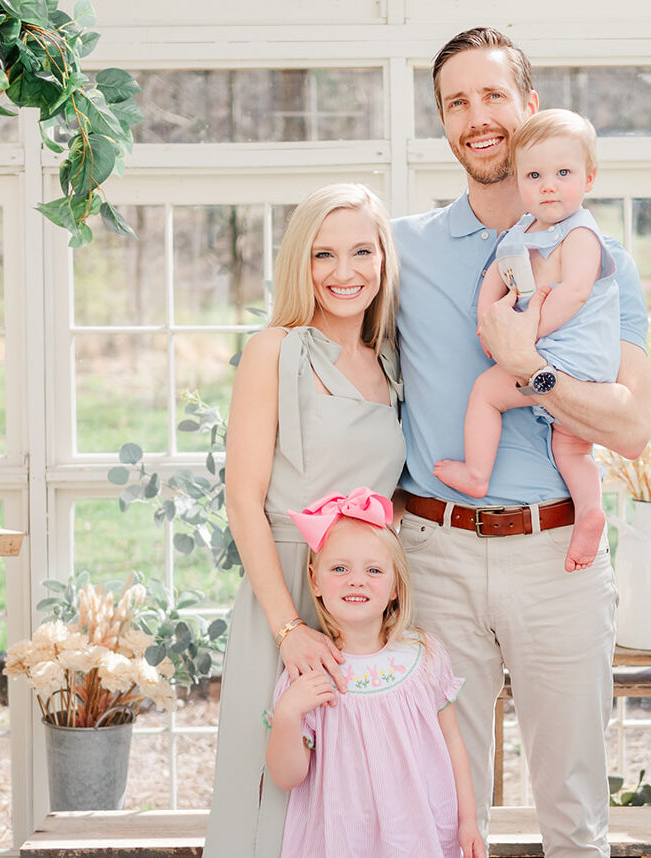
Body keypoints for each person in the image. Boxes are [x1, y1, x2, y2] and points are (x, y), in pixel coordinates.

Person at [391, 27, 651, 858]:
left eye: (492, 95)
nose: (476, 117)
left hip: (556, 561)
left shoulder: (603, 259)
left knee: (573, 811)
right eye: (455, 103)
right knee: (438, 808)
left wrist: (528, 367)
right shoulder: (400, 251)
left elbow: (631, 429)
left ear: (529, 108)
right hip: (431, 553)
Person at [203, 184, 405, 857]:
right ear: (301, 262)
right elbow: (243, 500)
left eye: (360, 252)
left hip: (362, 600)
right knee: (276, 794)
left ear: (383, 260)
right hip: (285, 591)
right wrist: (287, 628)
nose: (343, 272)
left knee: (357, 792)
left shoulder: (390, 363)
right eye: (323, 254)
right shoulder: (276, 351)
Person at [434, 109, 618, 573]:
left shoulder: (581, 234)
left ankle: (477, 474)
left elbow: (575, 292)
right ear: (517, 181)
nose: (549, 185)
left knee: (485, 394)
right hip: (553, 356)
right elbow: (493, 280)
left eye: (563, 173)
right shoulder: (520, 233)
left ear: (589, 179)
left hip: (567, 354)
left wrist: (521, 336)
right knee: (570, 446)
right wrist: (484, 320)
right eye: (534, 175)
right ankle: (590, 510)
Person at [266, 488, 484, 858]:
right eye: (339, 568)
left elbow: (452, 743)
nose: (356, 580)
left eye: (374, 570)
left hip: (416, 832)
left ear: (396, 585)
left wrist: (468, 820)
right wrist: (288, 714)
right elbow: (288, 778)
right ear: (315, 581)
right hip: (343, 837)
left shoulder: (424, 656)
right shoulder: (311, 670)